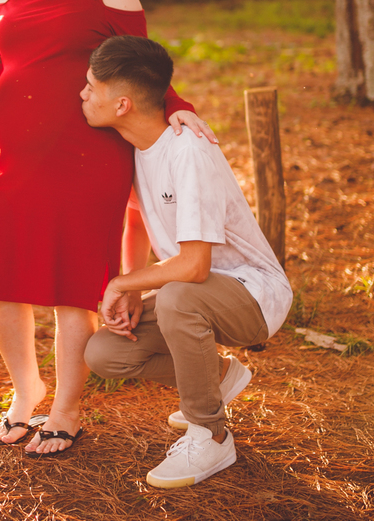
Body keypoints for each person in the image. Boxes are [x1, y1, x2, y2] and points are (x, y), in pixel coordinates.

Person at [0, 0, 216, 456]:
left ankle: (67, 408)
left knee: (72, 290)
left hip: (87, 163)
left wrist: (179, 109)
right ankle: (26, 391)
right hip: (16, 162)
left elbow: (143, 71)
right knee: (0, 288)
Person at [80, 35, 293, 488]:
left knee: (178, 296)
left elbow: (195, 266)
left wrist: (120, 283)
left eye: (91, 87)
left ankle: (210, 435)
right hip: (196, 294)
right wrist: (133, 286)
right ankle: (219, 376)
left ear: (121, 104)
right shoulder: (137, 148)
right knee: (106, 353)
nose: (82, 94)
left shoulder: (188, 151)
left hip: (254, 295)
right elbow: (137, 223)